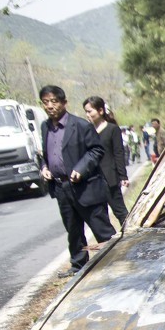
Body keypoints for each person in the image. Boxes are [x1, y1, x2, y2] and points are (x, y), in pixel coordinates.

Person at [38, 85, 113, 274]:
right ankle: (78, 264)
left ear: (64, 103)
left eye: (54, 101)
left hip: (85, 186)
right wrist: (45, 168)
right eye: (46, 102)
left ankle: (116, 260)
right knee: (73, 229)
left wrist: (80, 169)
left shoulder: (80, 125)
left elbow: (96, 150)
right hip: (61, 186)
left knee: (100, 227)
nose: (50, 106)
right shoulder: (45, 127)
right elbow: (47, 154)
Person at [83, 96, 130, 228]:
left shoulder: (112, 129)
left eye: (90, 111)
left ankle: (131, 236)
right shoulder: (87, 131)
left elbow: (118, 153)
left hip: (110, 178)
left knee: (120, 212)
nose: (88, 115)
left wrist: (123, 175)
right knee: (100, 215)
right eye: (86, 112)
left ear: (100, 111)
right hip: (93, 179)